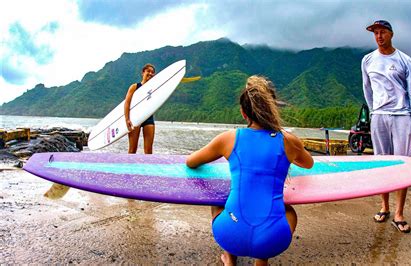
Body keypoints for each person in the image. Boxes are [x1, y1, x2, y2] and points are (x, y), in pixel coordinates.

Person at [186, 76, 314, 265]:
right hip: (272, 240)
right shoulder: (289, 140)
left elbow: (191, 162)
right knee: (289, 212)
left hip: (229, 234)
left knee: (218, 201)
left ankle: (229, 257)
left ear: (243, 113)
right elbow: (308, 163)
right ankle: (261, 261)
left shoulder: (228, 138)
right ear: (273, 109)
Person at [361, 20, 411, 233]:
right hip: (379, 117)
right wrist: (374, 113)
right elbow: (367, 91)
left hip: (402, 117)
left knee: (402, 165)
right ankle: (384, 206)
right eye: (375, 33)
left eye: (382, 32)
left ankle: (399, 213)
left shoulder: (405, 60)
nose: (379, 36)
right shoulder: (367, 60)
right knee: (382, 163)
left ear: (391, 34)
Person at [124, 63, 156, 154]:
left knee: (149, 151)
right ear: (143, 72)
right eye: (148, 71)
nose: (150, 73)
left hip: (148, 118)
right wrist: (127, 119)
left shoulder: (155, 88)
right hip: (135, 118)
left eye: (152, 72)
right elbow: (127, 103)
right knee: (132, 149)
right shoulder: (134, 87)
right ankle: (129, 168)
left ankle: (147, 168)